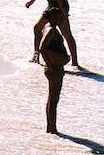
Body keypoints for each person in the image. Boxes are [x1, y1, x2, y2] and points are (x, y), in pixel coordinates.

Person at [38, 7, 69, 135]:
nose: (60, 19)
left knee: (52, 99)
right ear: (51, 17)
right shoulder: (51, 30)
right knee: (53, 100)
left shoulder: (47, 27)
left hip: (54, 67)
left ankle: (50, 127)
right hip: (54, 68)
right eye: (58, 16)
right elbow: (42, 48)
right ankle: (52, 129)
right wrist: (51, 64)